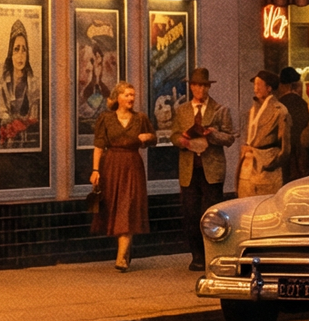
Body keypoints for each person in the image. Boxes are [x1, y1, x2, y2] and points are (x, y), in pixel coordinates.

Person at [166, 68, 234, 272]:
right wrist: (182, 141)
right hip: (189, 170)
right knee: (190, 213)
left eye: (203, 85)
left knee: (211, 213)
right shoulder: (183, 110)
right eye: (196, 85)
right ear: (191, 87)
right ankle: (196, 256)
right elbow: (173, 135)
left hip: (211, 170)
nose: (199, 89)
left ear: (208, 87)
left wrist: (213, 134)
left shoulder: (220, 109)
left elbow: (230, 137)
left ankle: (212, 254)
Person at [87, 81, 155, 270]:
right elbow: (99, 145)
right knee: (116, 207)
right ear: (118, 97)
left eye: (133, 95)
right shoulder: (106, 119)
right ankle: (125, 249)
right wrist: (95, 170)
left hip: (132, 165)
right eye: (127, 95)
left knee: (128, 205)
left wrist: (147, 137)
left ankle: (121, 257)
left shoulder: (140, 118)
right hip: (112, 165)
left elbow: (154, 137)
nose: (131, 98)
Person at [237, 70, 290, 196]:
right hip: (248, 164)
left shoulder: (280, 111)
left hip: (267, 165)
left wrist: (271, 162)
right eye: (254, 85)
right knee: (245, 203)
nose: (255, 89)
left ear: (269, 88)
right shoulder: (252, 109)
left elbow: (285, 148)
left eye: (258, 85)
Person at [0, 21, 38, 148]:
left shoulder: (34, 84)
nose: (20, 55)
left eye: (24, 50)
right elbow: (1, 117)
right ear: (11, 54)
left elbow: (35, 117)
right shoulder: (2, 86)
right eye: (16, 49)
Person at [277, 67, 309, 180]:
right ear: (295, 86)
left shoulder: (278, 105)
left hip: (282, 155)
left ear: (282, 85)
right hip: (300, 156)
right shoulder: (303, 104)